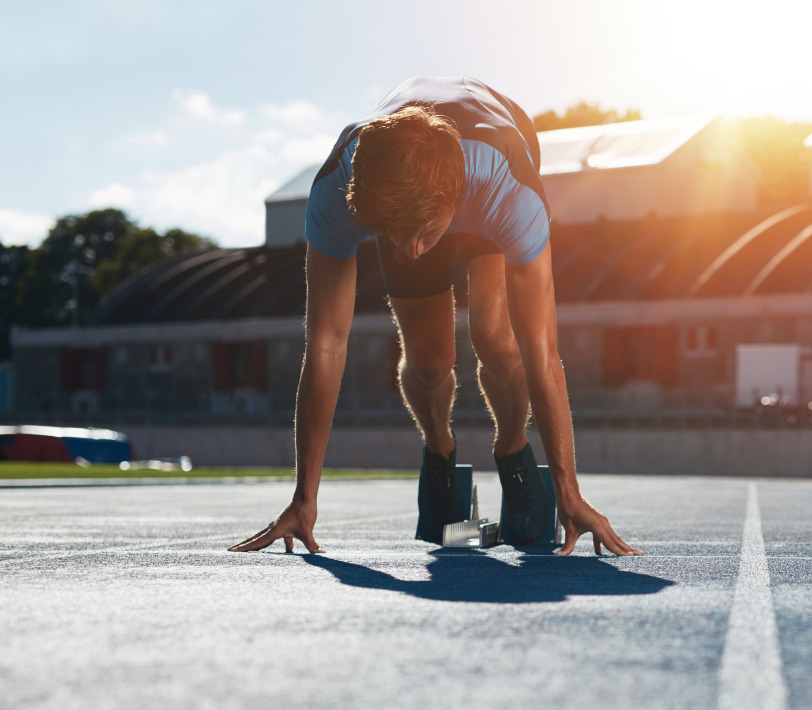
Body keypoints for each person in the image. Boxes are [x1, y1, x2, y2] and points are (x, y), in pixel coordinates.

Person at [231, 76, 639, 556]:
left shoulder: (507, 188)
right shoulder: (337, 191)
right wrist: (303, 499)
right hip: (408, 183)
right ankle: (440, 451)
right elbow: (325, 345)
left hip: (490, 160)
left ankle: (511, 450)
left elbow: (542, 352)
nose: (412, 250)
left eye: (422, 235)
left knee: (499, 340)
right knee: (429, 360)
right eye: (394, 236)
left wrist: (570, 493)